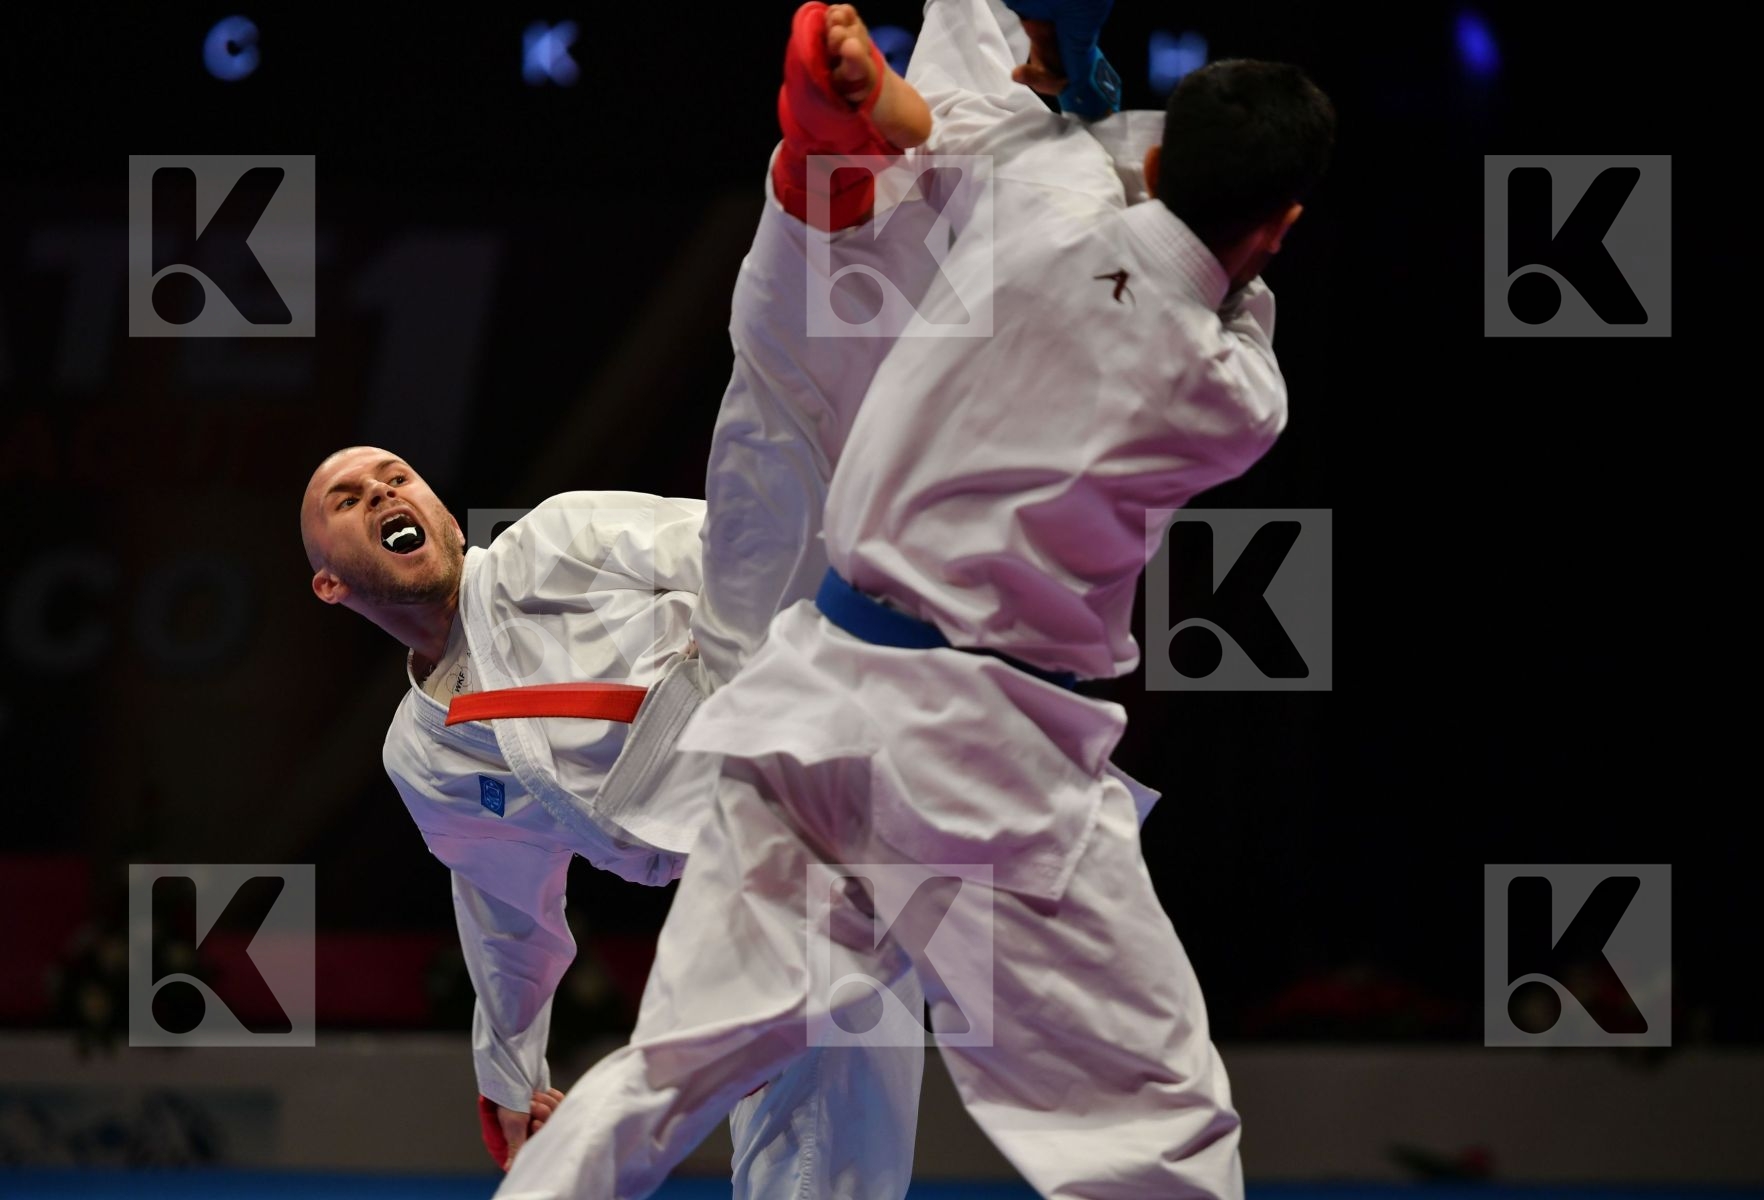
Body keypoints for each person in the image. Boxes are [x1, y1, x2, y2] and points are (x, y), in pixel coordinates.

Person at [492, 0, 1336, 1195]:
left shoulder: (1039, 201)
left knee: (663, 1074)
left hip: (814, 693)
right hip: (988, 766)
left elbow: (994, 141)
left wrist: (948, 95)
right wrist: (1074, 107)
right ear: (1282, 227)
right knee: (1157, 1131)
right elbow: (1200, 261)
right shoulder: (1233, 389)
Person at [293, 11, 941, 1195]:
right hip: (774, 865)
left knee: (767, 453)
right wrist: (506, 1068)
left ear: (441, 509)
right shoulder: (426, 755)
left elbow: (750, 538)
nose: (384, 483)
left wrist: (860, 600)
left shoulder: (552, 542)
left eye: (395, 471)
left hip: (784, 679)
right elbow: (507, 915)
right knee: (822, 1149)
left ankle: (823, 178)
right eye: (347, 493)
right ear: (331, 580)